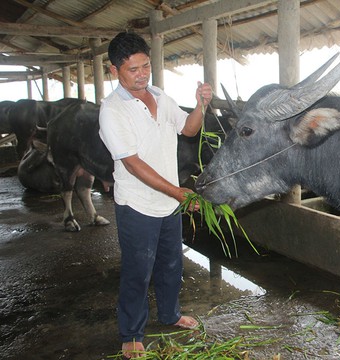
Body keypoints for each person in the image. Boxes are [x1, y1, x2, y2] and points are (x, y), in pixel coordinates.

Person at [98, 31, 213, 359]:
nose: (142, 75)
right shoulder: (112, 111)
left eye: (146, 66)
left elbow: (188, 129)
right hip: (137, 205)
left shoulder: (161, 96)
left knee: (171, 264)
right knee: (138, 270)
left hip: (168, 203)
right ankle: (131, 332)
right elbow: (133, 164)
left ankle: (170, 314)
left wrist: (201, 105)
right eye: (133, 69)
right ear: (114, 70)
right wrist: (180, 193)